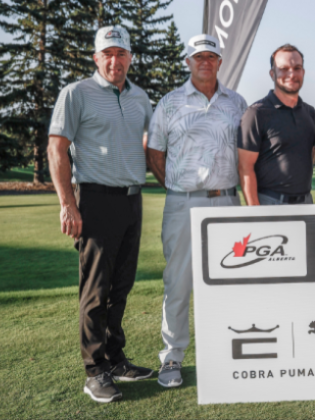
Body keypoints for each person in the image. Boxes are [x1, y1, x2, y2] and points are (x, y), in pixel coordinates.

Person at [47, 25, 155, 403]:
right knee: (95, 291)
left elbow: (152, 146)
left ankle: (115, 358)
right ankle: (94, 371)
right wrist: (68, 204)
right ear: (96, 58)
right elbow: (57, 149)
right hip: (94, 199)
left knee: (121, 286)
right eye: (107, 54)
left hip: (131, 200)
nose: (115, 60)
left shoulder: (141, 98)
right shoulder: (76, 93)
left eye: (121, 54)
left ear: (130, 58)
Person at [145, 34, 248, 387]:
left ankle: (222, 353)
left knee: (229, 280)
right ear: (187, 62)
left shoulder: (237, 102)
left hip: (227, 200)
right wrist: (177, 187)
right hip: (183, 203)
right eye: (198, 57)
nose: (205, 62)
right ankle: (172, 358)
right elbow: (154, 152)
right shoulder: (170, 103)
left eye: (211, 56)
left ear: (220, 62)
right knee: (179, 283)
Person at [238, 44, 315, 205]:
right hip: (270, 203)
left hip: (306, 203)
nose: (291, 74)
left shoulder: (310, 113)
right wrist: (256, 214)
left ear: (303, 72)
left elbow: (312, 154)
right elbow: (245, 168)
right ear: (272, 73)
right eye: (284, 68)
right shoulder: (256, 113)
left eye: (297, 68)